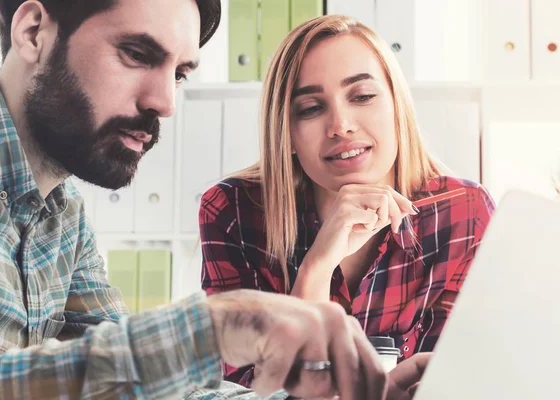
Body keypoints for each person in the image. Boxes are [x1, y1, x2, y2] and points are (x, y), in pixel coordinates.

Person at [0, 1, 425, 399]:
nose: (165, 103)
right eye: (137, 55)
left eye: (179, 74)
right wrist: (212, 329)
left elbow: (122, 382)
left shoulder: (62, 210)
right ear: (33, 31)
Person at [199, 14, 496, 387]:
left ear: (396, 106)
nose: (341, 125)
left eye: (363, 96)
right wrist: (317, 268)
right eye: (310, 108)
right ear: (286, 133)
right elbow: (249, 391)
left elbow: (462, 378)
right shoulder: (232, 212)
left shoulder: (464, 211)